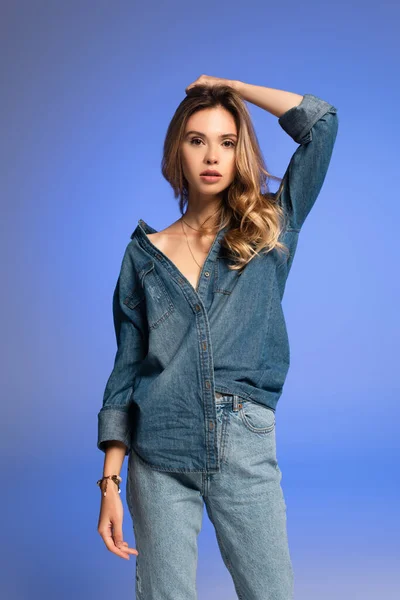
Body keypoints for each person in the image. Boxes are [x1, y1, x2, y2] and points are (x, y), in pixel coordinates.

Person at [96, 76, 339, 600]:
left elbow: (322, 125)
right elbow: (126, 370)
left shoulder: (271, 226)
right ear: (176, 151)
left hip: (243, 441)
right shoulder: (144, 256)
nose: (212, 155)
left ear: (240, 153)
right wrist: (110, 484)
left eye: (227, 142)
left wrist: (232, 88)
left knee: (271, 591)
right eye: (196, 139)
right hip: (157, 449)